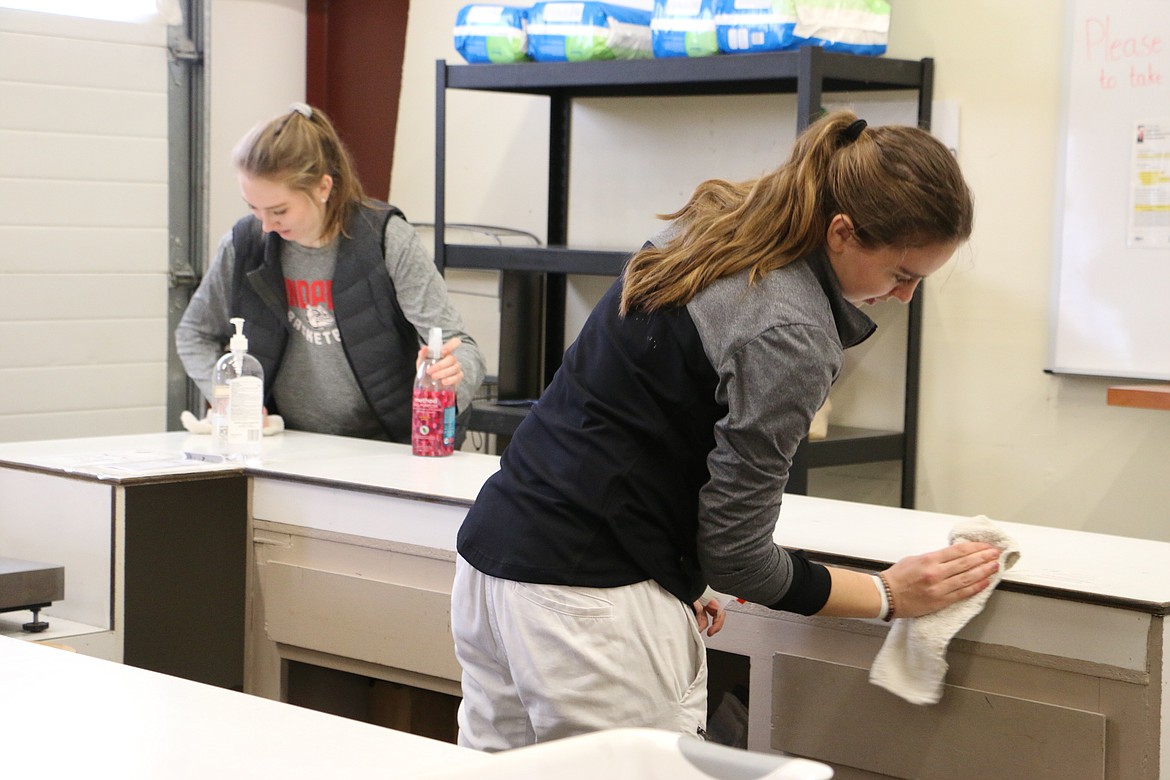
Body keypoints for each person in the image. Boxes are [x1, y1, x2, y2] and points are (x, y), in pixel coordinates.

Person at [451, 110, 1001, 751]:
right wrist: (886, 594)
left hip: (494, 569)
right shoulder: (792, 330)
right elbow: (739, 557)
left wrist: (680, 570)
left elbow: (641, 417)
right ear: (843, 232)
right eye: (902, 275)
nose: (905, 296)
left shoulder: (715, 228)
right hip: (589, 602)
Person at [176, 103, 485, 442]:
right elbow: (193, 333)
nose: (265, 224)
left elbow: (463, 348)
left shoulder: (385, 238)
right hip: (290, 443)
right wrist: (228, 397)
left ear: (323, 188)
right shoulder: (244, 243)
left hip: (388, 444)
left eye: (279, 210)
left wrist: (453, 376)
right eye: (253, 208)